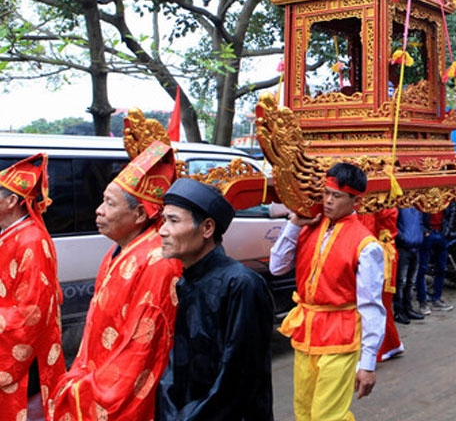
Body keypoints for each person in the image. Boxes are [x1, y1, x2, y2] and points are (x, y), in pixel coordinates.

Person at [53, 141, 183, 420]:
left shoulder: (158, 262)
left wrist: (90, 389)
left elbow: (141, 348)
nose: (99, 210)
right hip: (93, 373)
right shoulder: (119, 249)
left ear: (139, 214)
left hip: (115, 390)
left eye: (110, 203)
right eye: (103, 200)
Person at [269, 162, 385, 420]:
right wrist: (294, 224)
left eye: (337, 196)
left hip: (340, 336)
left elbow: (372, 306)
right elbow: (276, 267)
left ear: (356, 200)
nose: (328, 201)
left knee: (328, 415)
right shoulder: (308, 226)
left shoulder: (366, 245)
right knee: (304, 409)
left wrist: (367, 364)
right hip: (306, 331)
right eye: (326, 193)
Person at [156, 178, 274, 420]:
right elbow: (176, 363)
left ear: (207, 228)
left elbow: (238, 377)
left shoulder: (242, 285)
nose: (162, 230)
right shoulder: (186, 281)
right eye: (164, 219)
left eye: (173, 221)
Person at [0, 154, 65, 421]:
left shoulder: (31, 241)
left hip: (23, 351)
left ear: (11, 201)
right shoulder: (10, 233)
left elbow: (32, 310)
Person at [358, 208, 405, 361]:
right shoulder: (377, 202)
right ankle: (392, 344)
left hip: (381, 256)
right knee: (381, 304)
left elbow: (367, 229)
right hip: (382, 253)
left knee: (377, 304)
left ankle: (383, 347)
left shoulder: (375, 204)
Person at [416, 205, 455, 316]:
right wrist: (424, 230)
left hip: (441, 233)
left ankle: (436, 299)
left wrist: (447, 230)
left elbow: (451, 211)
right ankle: (422, 301)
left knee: (442, 268)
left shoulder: (446, 194)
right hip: (428, 233)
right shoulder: (424, 194)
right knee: (422, 269)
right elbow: (418, 212)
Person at [393, 207, 425, 323]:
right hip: (403, 248)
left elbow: (421, 223)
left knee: (411, 281)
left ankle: (408, 308)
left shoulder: (417, 207)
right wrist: (403, 238)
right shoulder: (399, 206)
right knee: (401, 281)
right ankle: (399, 311)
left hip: (416, 246)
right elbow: (393, 225)